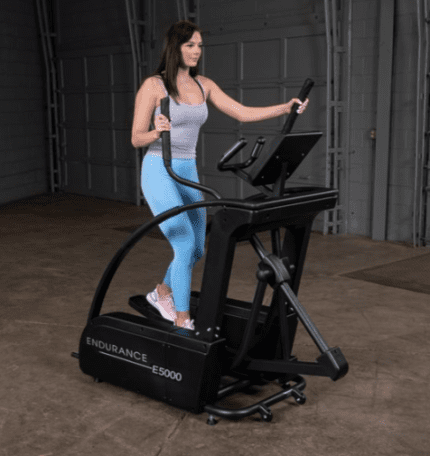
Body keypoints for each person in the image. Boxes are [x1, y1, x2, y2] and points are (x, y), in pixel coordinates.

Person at [131, 20, 309, 330]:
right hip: (159, 168)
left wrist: (284, 108)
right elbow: (135, 138)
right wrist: (155, 132)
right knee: (185, 244)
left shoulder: (204, 85)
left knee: (199, 247)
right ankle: (183, 320)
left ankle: (161, 292)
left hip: (186, 168)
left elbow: (241, 112)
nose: (197, 51)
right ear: (175, 47)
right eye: (190, 45)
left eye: (200, 45)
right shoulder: (153, 86)